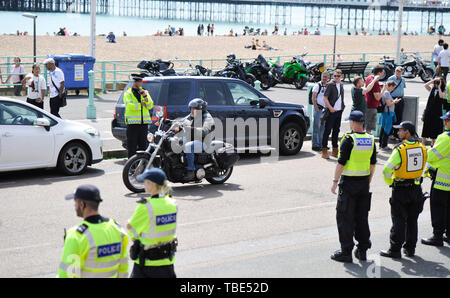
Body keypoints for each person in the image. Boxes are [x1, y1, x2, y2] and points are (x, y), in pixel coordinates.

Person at [330, 110, 377, 263]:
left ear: (352, 122)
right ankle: (362, 250)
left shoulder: (348, 139)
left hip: (349, 184)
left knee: (345, 218)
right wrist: (368, 181)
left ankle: (346, 252)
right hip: (363, 183)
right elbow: (373, 164)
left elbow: (341, 163)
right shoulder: (370, 139)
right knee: (361, 218)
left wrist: (335, 181)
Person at [58, 185, 129, 278]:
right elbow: (123, 268)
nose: (74, 206)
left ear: (82, 204)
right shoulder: (117, 230)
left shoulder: (76, 236)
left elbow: (67, 275)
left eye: (75, 202)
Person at [380, 121, 427, 258]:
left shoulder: (400, 149)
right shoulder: (423, 148)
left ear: (407, 132)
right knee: (413, 220)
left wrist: (391, 183)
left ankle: (395, 250)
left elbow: (386, 170)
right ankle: (410, 249)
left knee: (399, 220)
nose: (398, 132)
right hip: (416, 189)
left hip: (401, 190)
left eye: (400, 130)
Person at [127, 168, 177, 278]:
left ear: (151, 184)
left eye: (145, 181)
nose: (144, 184)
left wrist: (137, 239)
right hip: (167, 263)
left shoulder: (145, 207)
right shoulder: (173, 204)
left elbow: (131, 227)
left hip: (146, 265)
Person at [421, 111, 450, 247]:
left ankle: (437, 236)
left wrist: (427, 149)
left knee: (438, 207)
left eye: (447, 120)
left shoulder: (445, 138)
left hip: (442, 181)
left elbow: (432, 156)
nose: (445, 123)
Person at [179, 98, 215, 180]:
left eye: (194, 109)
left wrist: (193, 129)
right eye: (191, 108)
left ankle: (191, 170)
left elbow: (206, 130)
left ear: (200, 109)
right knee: (178, 141)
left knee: (188, 146)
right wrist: (170, 122)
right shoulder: (192, 115)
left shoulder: (207, 117)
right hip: (193, 140)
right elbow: (182, 121)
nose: (192, 110)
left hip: (204, 143)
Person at [123, 73, 154, 159]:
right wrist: (141, 105)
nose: (137, 83)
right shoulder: (128, 93)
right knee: (131, 147)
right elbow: (129, 106)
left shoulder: (145, 92)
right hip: (132, 124)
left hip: (143, 124)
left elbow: (150, 105)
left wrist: (145, 96)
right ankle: (131, 167)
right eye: (135, 81)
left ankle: (142, 165)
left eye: (139, 81)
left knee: (143, 147)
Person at [321, 69, 345, 159]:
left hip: (339, 111)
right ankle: (324, 150)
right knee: (327, 130)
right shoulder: (330, 85)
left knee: (336, 131)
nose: (336, 78)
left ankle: (335, 149)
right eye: (335, 76)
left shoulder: (341, 85)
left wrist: (342, 107)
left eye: (338, 76)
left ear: (341, 76)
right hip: (331, 111)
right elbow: (325, 98)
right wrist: (330, 108)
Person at [421, 77, 446, 147]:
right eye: (436, 83)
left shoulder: (444, 90)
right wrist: (432, 81)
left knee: (435, 126)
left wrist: (440, 87)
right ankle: (423, 142)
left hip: (437, 111)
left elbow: (441, 96)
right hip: (429, 110)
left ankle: (433, 142)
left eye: (437, 82)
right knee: (426, 125)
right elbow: (425, 85)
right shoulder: (432, 89)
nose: (436, 84)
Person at [379, 81, 401, 150]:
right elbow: (388, 104)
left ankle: (381, 144)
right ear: (390, 86)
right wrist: (394, 101)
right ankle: (384, 145)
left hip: (385, 113)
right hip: (387, 113)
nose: (393, 89)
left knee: (383, 129)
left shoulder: (384, 92)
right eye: (393, 87)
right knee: (386, 130)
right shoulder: (387, 93)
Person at [311, 72, 330, 151]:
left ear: (328, 78)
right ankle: (315, 144)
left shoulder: (328, 86)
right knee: (316, 127)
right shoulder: (317, 86)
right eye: (323, 76)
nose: (324, 78)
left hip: (325, 110)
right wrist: (316, 107)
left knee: (323, 128)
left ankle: (321, 144)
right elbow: (313, 97)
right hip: (318, 109)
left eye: (326, 77)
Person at [365, 65, 385, 135]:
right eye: (383, 72)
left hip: (367, 104)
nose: (383, 73)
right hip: (372, 106)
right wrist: (383, 89)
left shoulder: (369, 77)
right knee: (369, 129)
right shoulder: (375, 82)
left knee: (366, 126)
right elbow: (377, 97)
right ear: (379, 73)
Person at [388, 67, 407, 138]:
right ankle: (390, 133)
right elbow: (387, 89)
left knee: (399, 117)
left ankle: (396, 134)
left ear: (402, 72)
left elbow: (402, 89)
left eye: (399, 71)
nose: (397, 73)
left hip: (400, 99)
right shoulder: (391, 78)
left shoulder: (403, 80)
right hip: (392, 98)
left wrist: (402, 97)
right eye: (396, 71)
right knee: (392, 116)